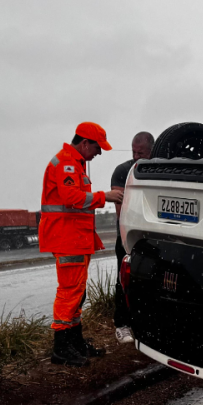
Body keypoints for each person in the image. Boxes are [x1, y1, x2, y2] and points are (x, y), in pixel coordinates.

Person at [39, 123, 125, 366]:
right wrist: (104, 196)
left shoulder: (75, 163)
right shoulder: (67, 163)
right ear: (85, 143)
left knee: (77, 292)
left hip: (75, 238)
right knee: (69, 292)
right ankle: (62, 348)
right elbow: (71, 198)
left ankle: (74, 343)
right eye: (98, 147)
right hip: (67, 238)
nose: (99, 153)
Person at [111, 131, 154, 343]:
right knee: (124, 280)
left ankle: (144, 321)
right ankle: (122, 324)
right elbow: (121, 212)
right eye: (134, 152)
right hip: (128, 235)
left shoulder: (159, 170)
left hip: (153, 237)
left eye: (141, 153)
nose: (136, 157)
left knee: (150, 280)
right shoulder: (122, 171)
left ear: (152, 151)